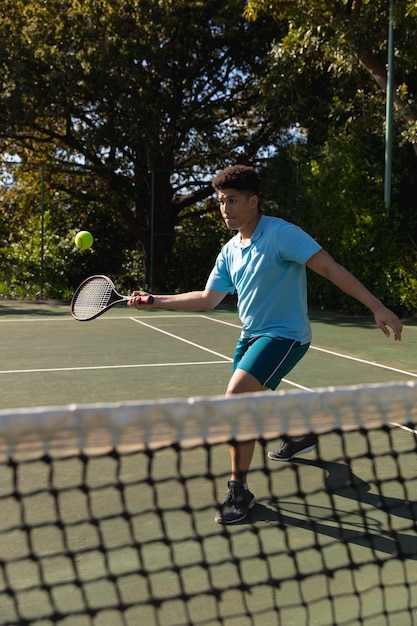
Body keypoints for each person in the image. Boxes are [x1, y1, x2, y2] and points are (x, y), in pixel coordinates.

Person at [128, 165, 402, 525]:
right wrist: (155, 300)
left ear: (253, 202)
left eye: (233, 201)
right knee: (248, 402)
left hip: (286, 335)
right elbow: (209, 298)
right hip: (250, 336)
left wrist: (377, 307)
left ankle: (238, 489)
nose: (225, 208)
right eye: (221, 202)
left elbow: (331, 268)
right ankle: (298, 433)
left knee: (236, 398)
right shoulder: (229, 251)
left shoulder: (281, 234)